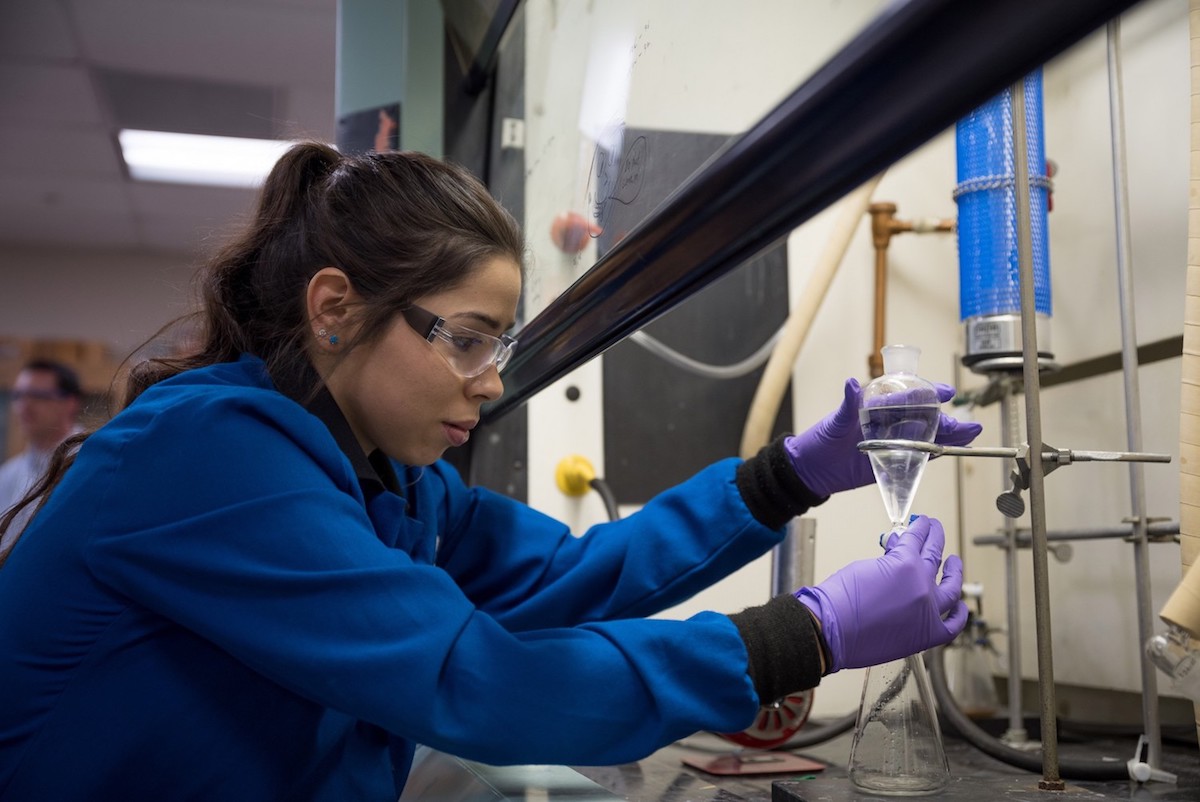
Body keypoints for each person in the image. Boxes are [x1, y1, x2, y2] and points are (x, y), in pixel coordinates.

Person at [0, 143, 982, 801]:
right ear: (336, 308)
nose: (492, 381)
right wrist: (805, 632)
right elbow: (480, 681)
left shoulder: (391, 480)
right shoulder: (211, 457)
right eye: (466, 341)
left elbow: (568, 576)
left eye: (499, 344)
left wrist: (789, 475)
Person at [0, 359, 83, 550]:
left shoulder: (89, 462)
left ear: (70, 403)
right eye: (19, 395)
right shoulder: (8, 474)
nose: (24, 405)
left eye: (38, 396)